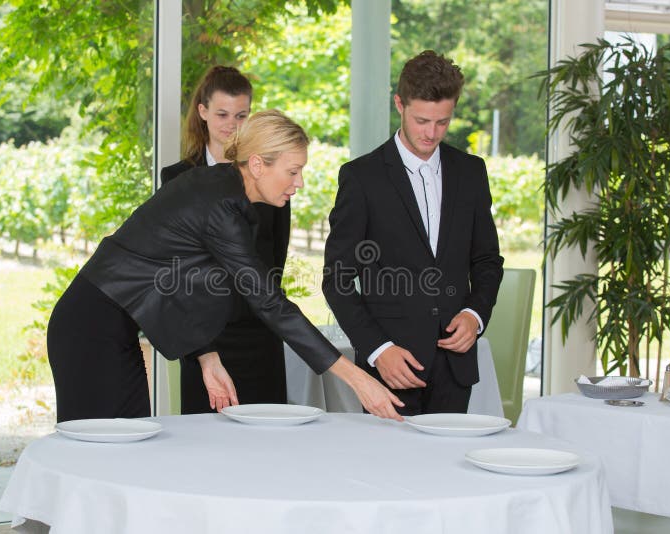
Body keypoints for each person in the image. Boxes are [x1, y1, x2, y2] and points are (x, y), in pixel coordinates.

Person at [47, 110, 403, 423]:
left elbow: (174, 281)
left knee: (125, 444)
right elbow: (269, 303)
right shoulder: (222, 208)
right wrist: (358, 379)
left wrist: (207, 356)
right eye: (293, 171)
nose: (300, 183)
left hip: (109, 328)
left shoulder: (221, 192)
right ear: (259, 165)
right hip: (90, 330)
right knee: (100, 449)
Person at [322, 51, 504, 416]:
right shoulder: (361, 178)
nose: (431, 133)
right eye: (422, 120)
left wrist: (475, 314)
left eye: (442, 122)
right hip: (389, 370)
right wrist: (377, 349)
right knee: (388, 473)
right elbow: (338, 279)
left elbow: (487, 260)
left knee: (448, 471)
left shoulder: (471, 172)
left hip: (455, 368)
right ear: (399, 104)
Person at [160, 66, 291, 414]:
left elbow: (275, 260)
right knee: (204, 450)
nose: (231, 124)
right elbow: (176, 268)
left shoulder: (269, 175)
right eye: (222, 114)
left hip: (260, 336)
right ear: (202, 112)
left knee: (268, 444)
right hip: (204, 340)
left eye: (241, 115)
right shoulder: (176, 178)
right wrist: (201, 346)